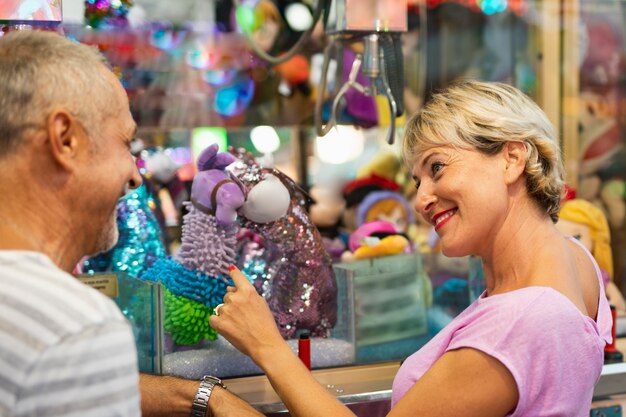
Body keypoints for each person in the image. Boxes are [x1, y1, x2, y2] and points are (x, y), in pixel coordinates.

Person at [210, 80, 613, 417]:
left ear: (511, 159)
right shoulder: (576, 262)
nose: (422, 200)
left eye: (437, 168)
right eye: (418, 181)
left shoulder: (519, 323)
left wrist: (267, 346)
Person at [0, 30, 261, 417]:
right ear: (65, 139)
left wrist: (201, 397)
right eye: (125, 143)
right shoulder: (76, 328)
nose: (135, 175)